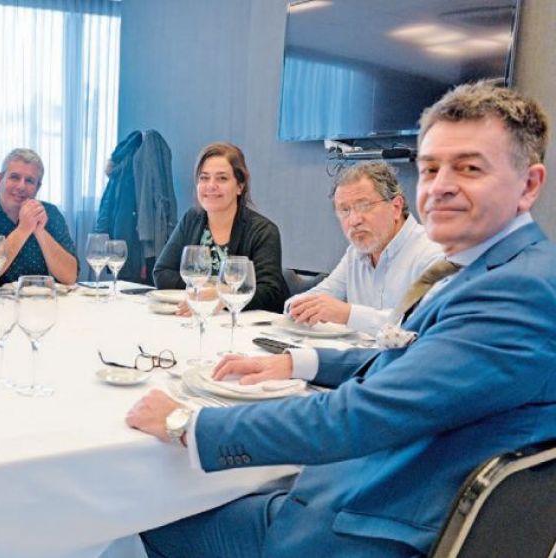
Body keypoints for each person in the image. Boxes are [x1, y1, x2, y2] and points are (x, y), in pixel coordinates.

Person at [126, 82, 555, 557]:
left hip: (371, 526)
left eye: (470, 168)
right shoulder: (495, 269)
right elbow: (410, 360)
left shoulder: (517, 292)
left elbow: (357, 416)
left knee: (138, 520)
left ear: (529, 184)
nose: (441, 186)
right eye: (431, 168)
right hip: (368, 491)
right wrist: (297, 363)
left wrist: (187, 423)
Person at [286, 161, 442, 335]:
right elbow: (320, 295)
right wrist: (295, 307)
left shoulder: (434, 253)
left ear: (396, 207)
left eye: (364, 206)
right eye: (344, 210)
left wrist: (347, 314)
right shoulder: (355, 253)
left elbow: (425, 323)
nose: (354, 220)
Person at [153, 142, 289, 312]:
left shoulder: (263, 231)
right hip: (198, 316)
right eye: (204, 177)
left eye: (222, 178)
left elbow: (270, 292)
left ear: (240, 186)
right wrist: (210, 291)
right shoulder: (192, 219)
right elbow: (162, 273)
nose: (211, 185)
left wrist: (222, 297)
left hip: (246, 327)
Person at [0, 148, 78, 289]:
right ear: (0, 180)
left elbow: (71, 277)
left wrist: (40, 231)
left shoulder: (50, 213)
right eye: (15, 177)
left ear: (38, 187)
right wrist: (23, 230)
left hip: (34, 305)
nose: (21, 186)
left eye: (30, 181)